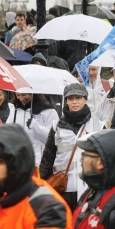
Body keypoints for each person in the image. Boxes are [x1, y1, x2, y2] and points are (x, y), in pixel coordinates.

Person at [39, 83, 103, 211]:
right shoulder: (56, 126)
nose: (74, 102)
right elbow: (48, 157)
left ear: (85, 99)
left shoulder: (99, 126)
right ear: (66, 100)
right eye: (70, 98)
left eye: (78, 98)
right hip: (62, 188)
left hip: (89, 188)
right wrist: (40, 186)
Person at [6, 93, 59, 166]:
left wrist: (35, 125)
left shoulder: (49, 111)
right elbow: (7, 133)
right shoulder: (14, 110)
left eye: (24, 95)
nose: (21, 98)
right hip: (18, 163)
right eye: (18, 95)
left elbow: (54, 139)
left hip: (39, 162)